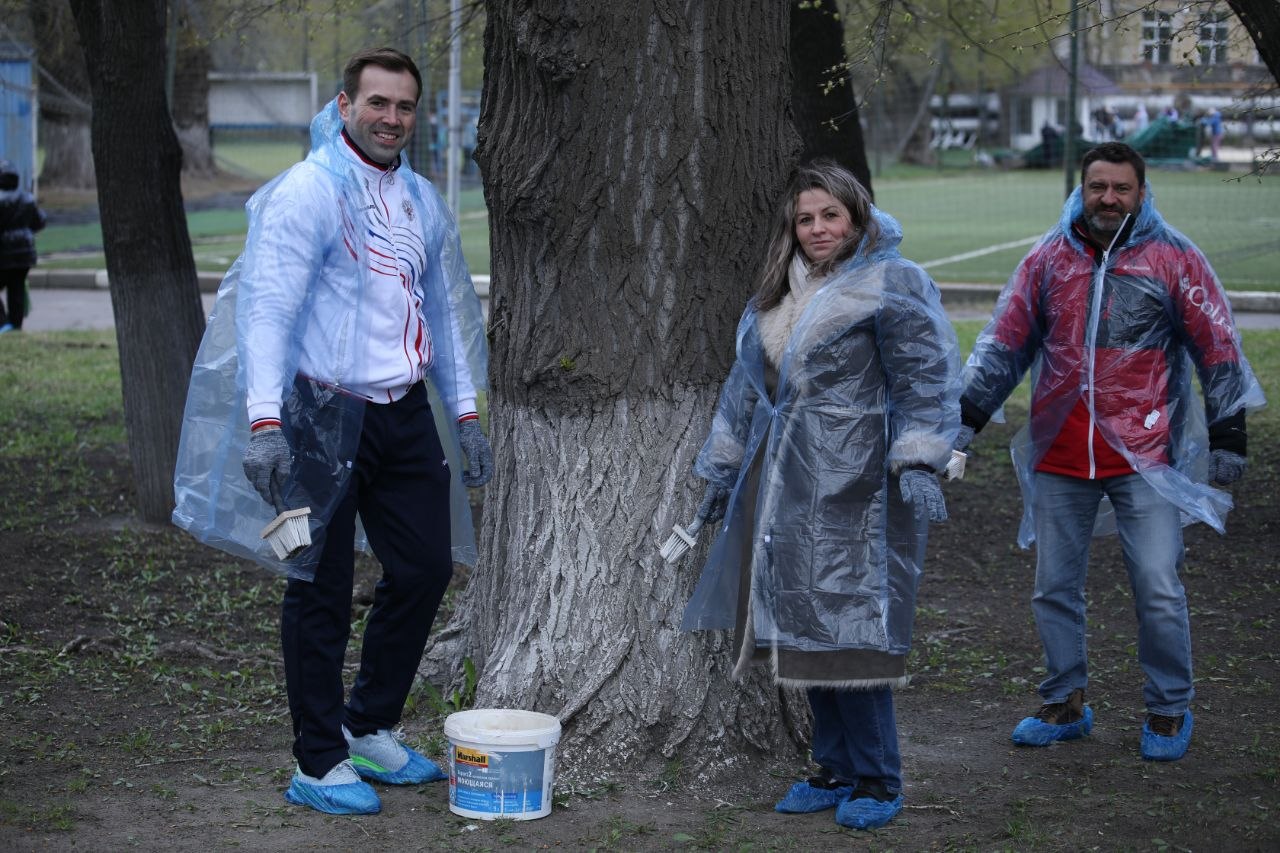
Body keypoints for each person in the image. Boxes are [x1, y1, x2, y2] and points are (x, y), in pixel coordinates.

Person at [172, 48, 492, 815]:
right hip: (319, 410)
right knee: (319, 583)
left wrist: (466, 412)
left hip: (403, 413)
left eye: (404, 106)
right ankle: (317, 758)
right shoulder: (307, 192)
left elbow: (444, 311)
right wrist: (265, 422)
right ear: (345, 105)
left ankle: (367, 724)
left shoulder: (419, 200)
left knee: (424, 568)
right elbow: (269, 310)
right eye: (377, 102)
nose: (391, 118)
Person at [954, 142, 1264, 762]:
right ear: (1081, 189)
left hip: (1146, 458)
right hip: (1062, 456)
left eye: (1122, 188)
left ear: (1142, 193)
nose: (1109, 198)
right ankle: (1065, 703)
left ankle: (1169, 707)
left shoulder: (1174, 258)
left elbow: (1218, 346)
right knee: (1053, 587)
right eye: (1098, 186)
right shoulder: (1048, 260)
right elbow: (1004, 346)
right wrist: (963, 423)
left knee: (1157, 585)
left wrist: (1230, 434)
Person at [681, 160, 960, 831]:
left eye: (830, 215)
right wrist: (721, 474)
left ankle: (878, 776)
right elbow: (745, 391)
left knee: (851, 632)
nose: (817, 229)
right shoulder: (778, 294)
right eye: (805, 218)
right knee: (803, 628)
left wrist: (920, 459)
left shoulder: (892, 282)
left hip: (858, 487)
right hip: (785, 484)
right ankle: (833, 766)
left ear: (856, 216)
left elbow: (925, 375)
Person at [0, 160, 46, 334]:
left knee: (14, 287)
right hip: (25, 254)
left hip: (3, 253)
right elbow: (40, 221)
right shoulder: (28, 199)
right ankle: (16, 326)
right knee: (16, 289)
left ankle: (3, 323)